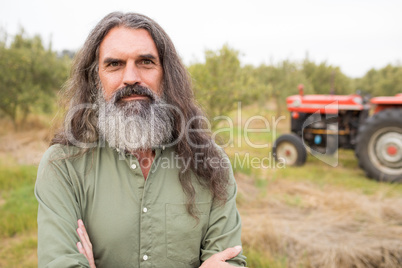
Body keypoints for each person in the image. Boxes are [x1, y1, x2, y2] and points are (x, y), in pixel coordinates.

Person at [35, 12, 247, 268]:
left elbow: (229, 262)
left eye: (146, 62)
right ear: (95, 78)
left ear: (167, 75)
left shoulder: (212, 162)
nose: (131, 77)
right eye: (114, 64)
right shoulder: (63, 165)